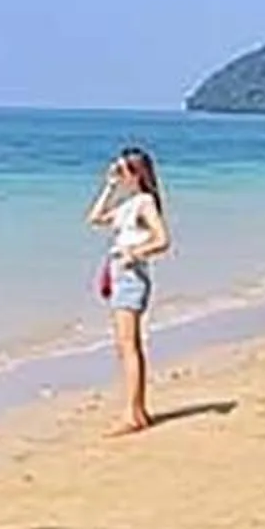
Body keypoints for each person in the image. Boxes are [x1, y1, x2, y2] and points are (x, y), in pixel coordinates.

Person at [86, 146, 171, 433]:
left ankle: (132, 414)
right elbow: (95, 218)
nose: (118, 174)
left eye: (122, 170)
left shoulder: (145, 202)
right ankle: (138, 411)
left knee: (129, 347)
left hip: (131, 276)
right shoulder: (129, 203)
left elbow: (162, 239)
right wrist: (109, 186)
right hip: (120, 274)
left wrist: (134, 253)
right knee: (127, 347)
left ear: (136, 173)